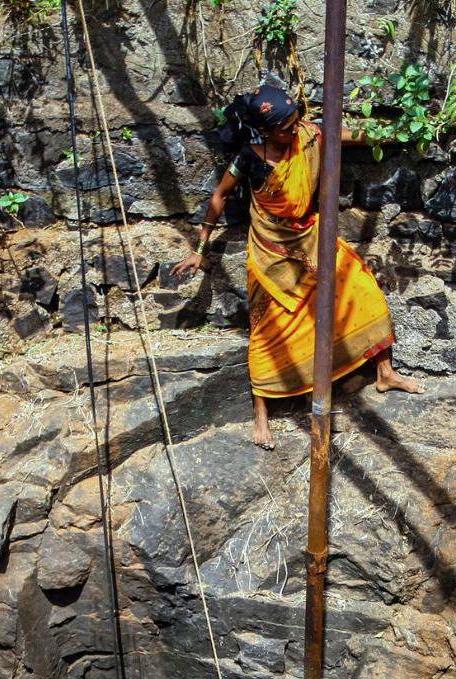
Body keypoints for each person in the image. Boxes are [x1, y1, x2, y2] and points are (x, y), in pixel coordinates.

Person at [172, 83, 423, 451]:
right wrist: (200, 248)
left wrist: (409, 131)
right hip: (272, 254)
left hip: (313, 238)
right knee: (269, 329)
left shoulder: (307, 137)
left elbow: (352, 135)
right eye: (287, 127)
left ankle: (384, 373)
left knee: (363, 289)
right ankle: (262, 413)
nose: (296, 129)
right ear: (267, 130)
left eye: (297, 121)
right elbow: (219, 195)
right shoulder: (249, 159)